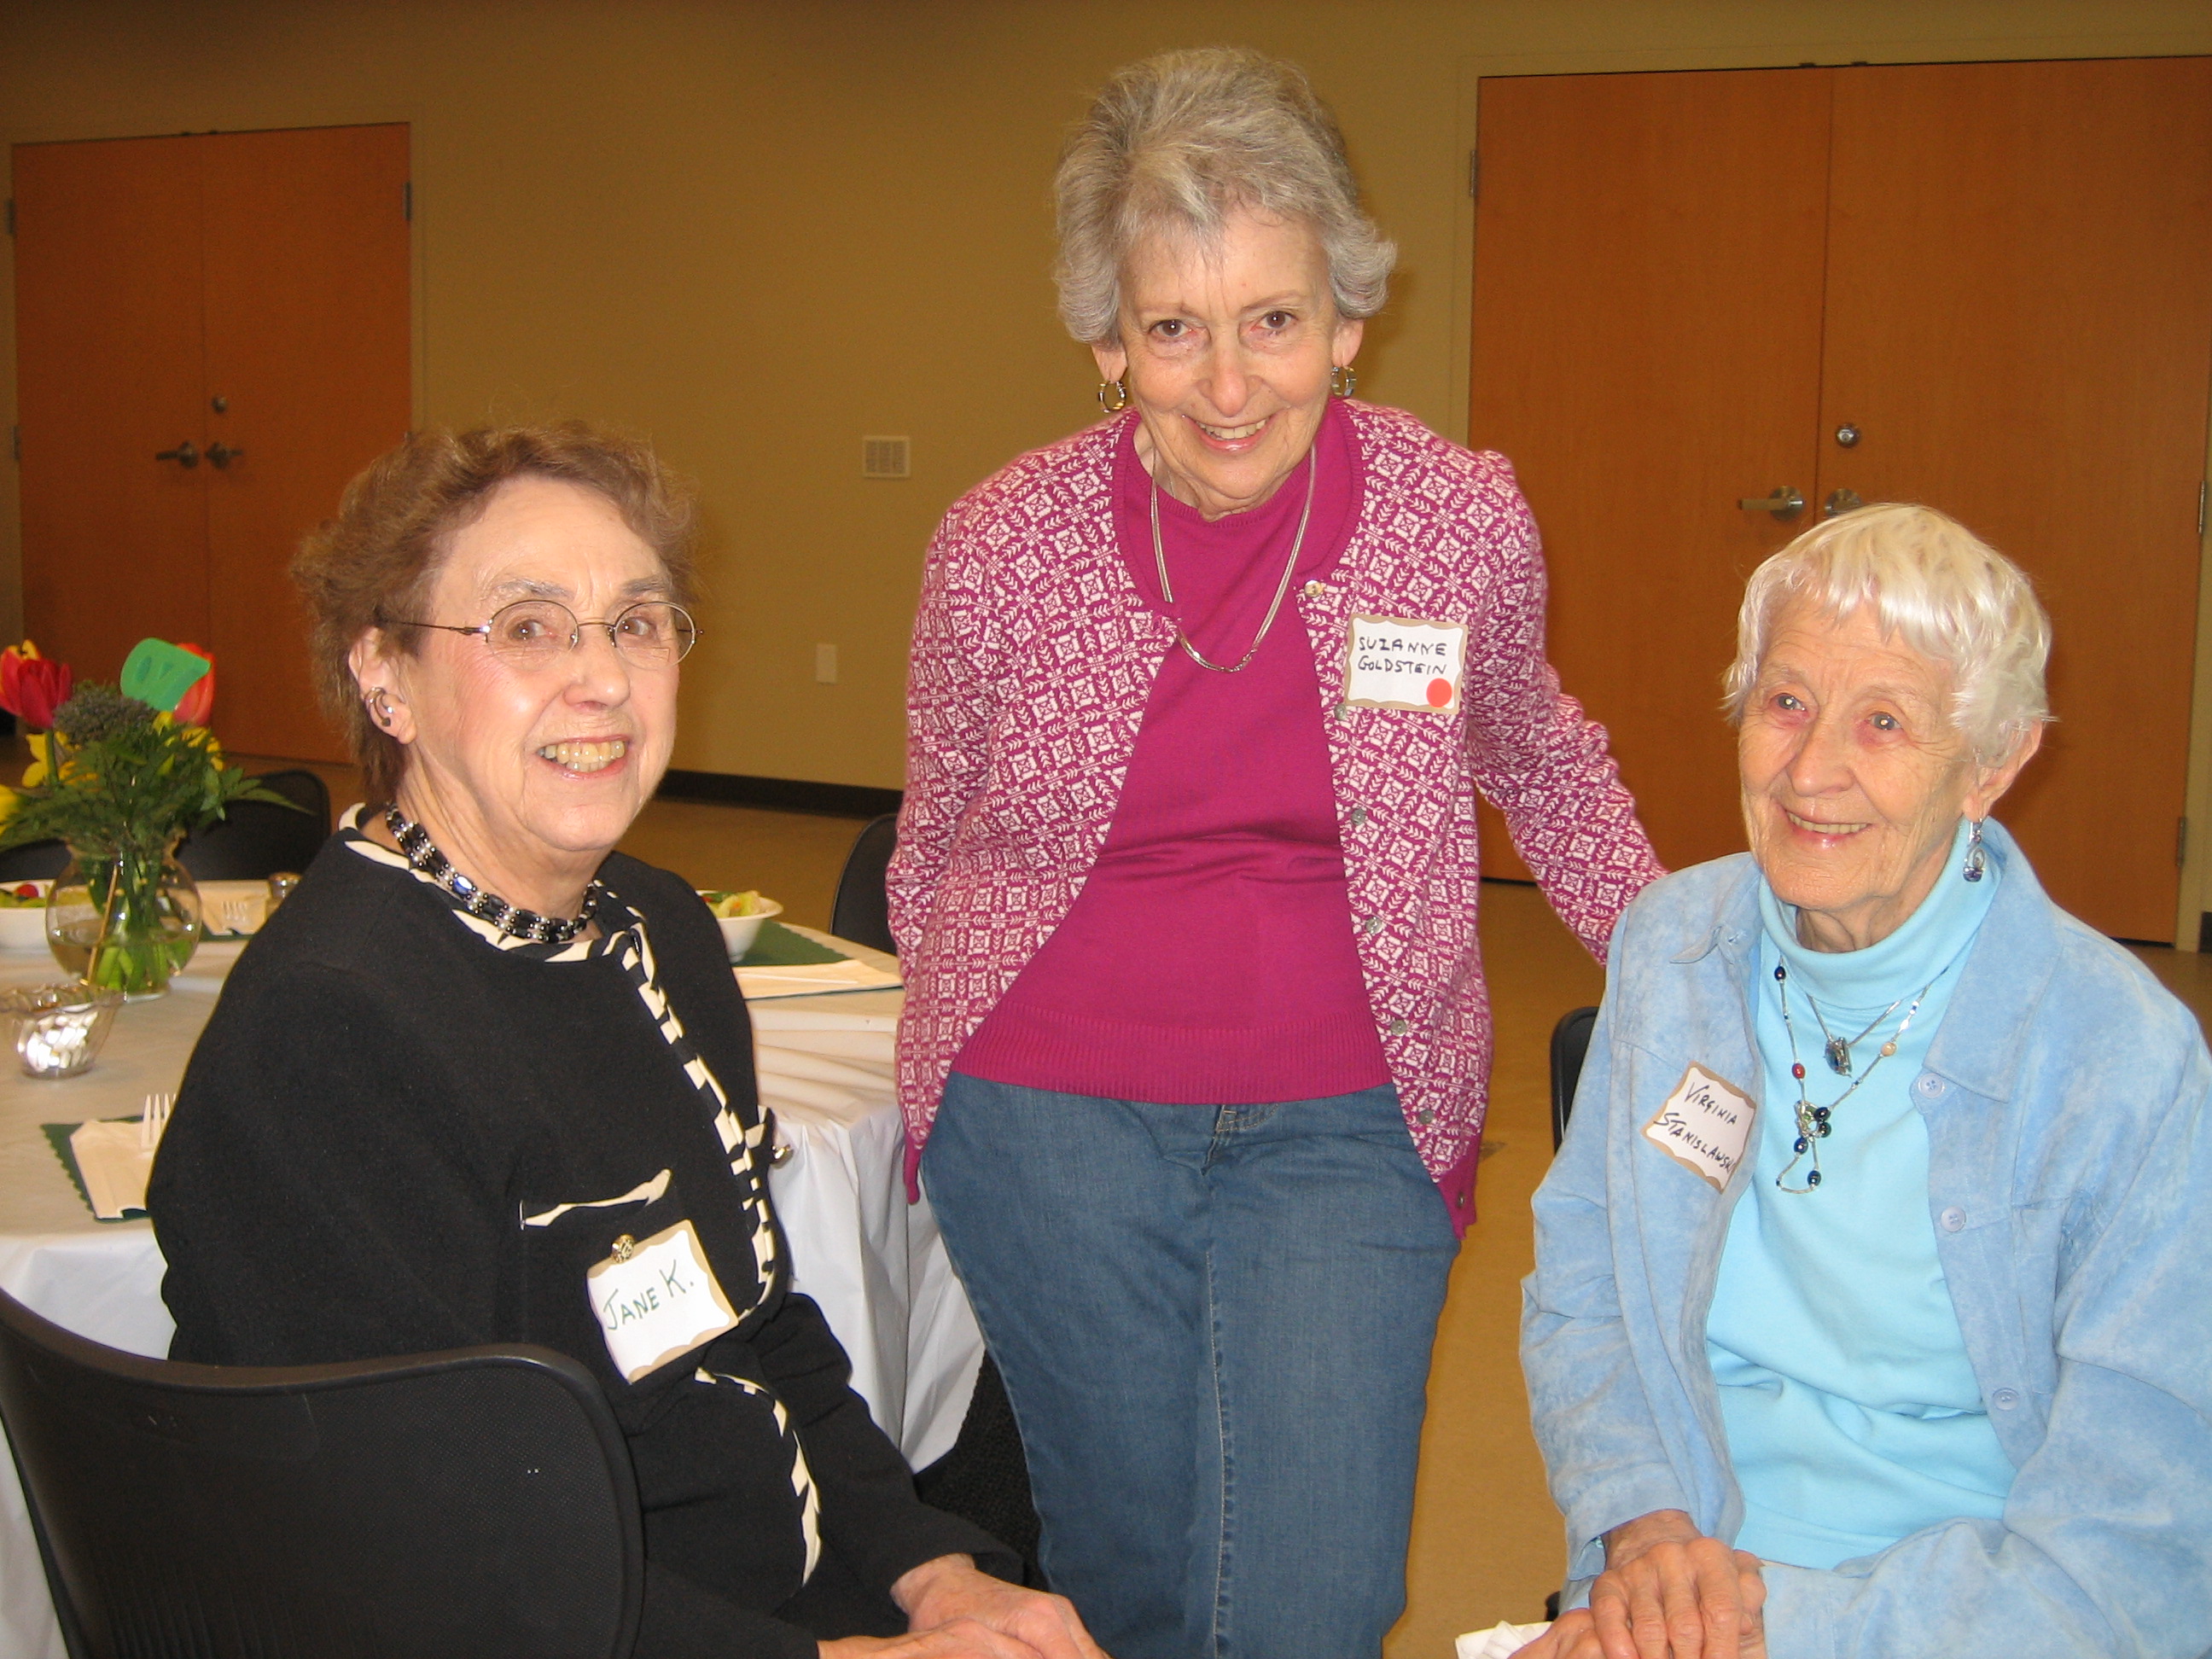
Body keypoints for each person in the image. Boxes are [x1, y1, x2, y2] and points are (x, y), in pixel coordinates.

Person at [892, 47, 1662, 1659]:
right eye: (1174, 327)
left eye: (1274, 321)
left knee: (1313, 1593)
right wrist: (940, 1079)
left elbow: (1537, 752)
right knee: (1137, 1569)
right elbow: (936, 837)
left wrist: (1679, 958)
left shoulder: (1453, 518)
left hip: (1352, 1102)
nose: (1229, 385)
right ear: (1109, 339)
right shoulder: (1001, 544)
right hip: (1049, 1113)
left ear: (1349, 322)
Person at [148, 424, 1106, 1659]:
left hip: (756, 1587)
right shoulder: (334, 1034)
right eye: (530, 626)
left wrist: (927, 1566)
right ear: (384, 674)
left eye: (638, 622)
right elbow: (420, 1557)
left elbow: (755, 1323)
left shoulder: (655, 930)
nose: (601, 677)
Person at [1519, 504, 2212, 1659]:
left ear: (1992, 764)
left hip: (1974, 1619)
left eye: (1883, 722)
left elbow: (2139, 1541)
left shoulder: (2117, 1061)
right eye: (1786, 702)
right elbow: (1583, 1293)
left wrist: (1763, 1627)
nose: (1811, 770)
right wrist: (1641, 1535)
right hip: (1671, 1576)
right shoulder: (1674, 948)